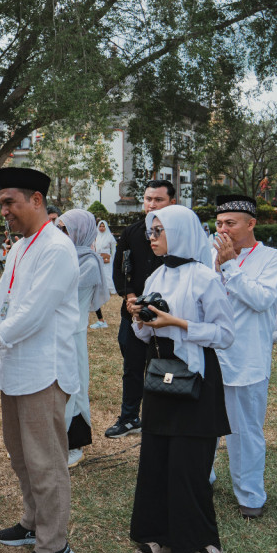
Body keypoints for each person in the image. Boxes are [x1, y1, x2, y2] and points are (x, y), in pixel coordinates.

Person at [0, 168, 79, 553]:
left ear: (36, 200)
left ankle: (55, 544)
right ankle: (32, 521)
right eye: (1, 203)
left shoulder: (56, 248)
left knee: (45, 460)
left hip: (43, 369)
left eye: (10, 202)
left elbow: (33, 315)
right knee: (20, 453)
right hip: (15, 367)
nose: (4, 211)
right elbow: (1, 299)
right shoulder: (22, 247)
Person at [129, 204, 234, 553]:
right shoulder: (155, 275)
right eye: (150, 232)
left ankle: (205, 543)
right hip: (160, 377)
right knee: (156, 461)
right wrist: (138, 317)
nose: (152, 238)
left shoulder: (205, 278)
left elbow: (224, 335)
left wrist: (178, 322)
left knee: (189, 466)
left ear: (182, 232)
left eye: (159, 231)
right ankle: (162, 535)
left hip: (195, 380)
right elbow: (146, 334)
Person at [212, 194, 277, 519]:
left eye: (230, 223)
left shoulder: (273, 259)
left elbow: (260, 300)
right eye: (219, 223)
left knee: (244, 432)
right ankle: (201, 479)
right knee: (201, 427)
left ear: (251, 224)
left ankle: (251, 497)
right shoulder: (210, 255)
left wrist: (229, 266)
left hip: (247, 360)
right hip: (210, 355)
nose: (223, 229)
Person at [106, 181, 176, 438]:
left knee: (164, 367)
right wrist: (130, 297)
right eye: (148, 199)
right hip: (132, 313)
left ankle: (160, 419)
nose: (152, 204)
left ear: (172, 203)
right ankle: (129, 417)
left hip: (167, 316)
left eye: (158, 199)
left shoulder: (179, 236)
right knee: (132, 365)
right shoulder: (131, 233)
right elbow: (121, 269)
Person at [57, 210, 110, 468]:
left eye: (65, 229)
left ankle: (73, 444)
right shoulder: (59, 256)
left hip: (73, 333)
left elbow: (60, 291)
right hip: (54, 333)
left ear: (79, 232)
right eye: (58, 228)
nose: (59, 234)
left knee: (73, 387)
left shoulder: (89, 262)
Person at [90, 220, 118, 330]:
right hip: (98, 257)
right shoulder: (96, 237)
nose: (101, 228)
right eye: (100, 226)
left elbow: (113, 249)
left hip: (107, 259)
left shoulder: (109, 237)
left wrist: (113, 258)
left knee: (107, 275)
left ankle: (110, 289)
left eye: (103, 226)